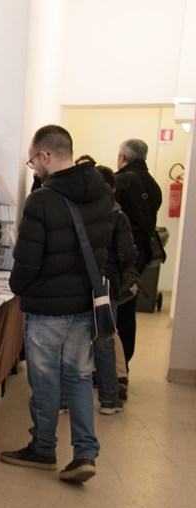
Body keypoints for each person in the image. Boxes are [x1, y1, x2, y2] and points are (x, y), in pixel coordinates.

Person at [0, 125, 112, 484]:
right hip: (84, 303)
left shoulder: (42, 200)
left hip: (47, 307)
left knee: (45, 380)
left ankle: (43, 448)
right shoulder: (101, 192)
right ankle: (85, 453)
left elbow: (27, 260)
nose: (34, 167)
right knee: (79, 377)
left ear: (45, 155)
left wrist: (16, 287)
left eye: (33, 160)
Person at [114, 138, 163, 398]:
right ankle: (123, 369)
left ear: (123, 157)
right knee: (127, 311)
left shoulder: (121, 181)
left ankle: (115, 373)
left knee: (112, 314)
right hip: (139, 259)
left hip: (120, 259)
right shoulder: (154, 185)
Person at [92, 165, 137, 415]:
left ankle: (64, 400)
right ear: (113, 188)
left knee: (74, 340)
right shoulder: (117, 216)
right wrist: (117, 271)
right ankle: (109, 399)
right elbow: (128, 253)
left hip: (82, 280)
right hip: (106, 282)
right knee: (105, 338)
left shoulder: (82, 212)